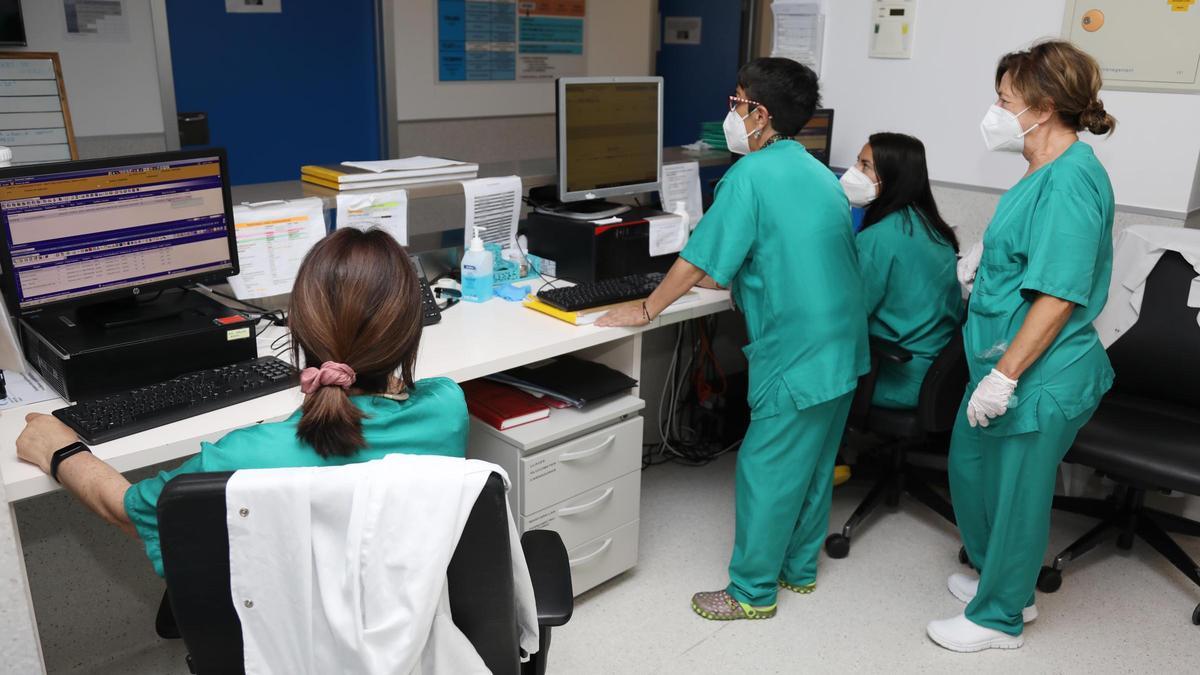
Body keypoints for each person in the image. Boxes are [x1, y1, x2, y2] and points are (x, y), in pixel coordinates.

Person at [15, 228, 469, 576]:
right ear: (411, 332)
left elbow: (126, 509)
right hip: (406, 627)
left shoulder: (245, 455)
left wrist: (62, 451)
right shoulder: (447, 408)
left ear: (299, 331)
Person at [597, 57, 869, 621]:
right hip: (843, 343)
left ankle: (751, 594)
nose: (731, 111)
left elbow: (697, 262)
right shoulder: (818, 172)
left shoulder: (749, 176)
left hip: (796, 349)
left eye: (736, 101)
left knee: (767, 468)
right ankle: (798, 571)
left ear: (760, 114)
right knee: (815, 463)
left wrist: (646, 307)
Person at [926, 40, 1117, 652]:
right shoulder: (1041, 170)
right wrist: (986, 264)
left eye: (1004, 100)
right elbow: (1029, 257)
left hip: (1037, 374)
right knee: (970, 466)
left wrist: (1004, 377)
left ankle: (1001, 616)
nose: (996, 111)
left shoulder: (1069, 181)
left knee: (1015, 496)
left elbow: (1058, 296)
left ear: (1043, 107)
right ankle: (998, 578)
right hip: (999, 359)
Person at [841, 132, 963, 409]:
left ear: (893, 176)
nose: (854, 173)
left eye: (865, 166)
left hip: (895, 378)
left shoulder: (879, 238)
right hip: (935, 375)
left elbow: (849, 314)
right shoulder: (934, 229)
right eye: (857, 162)